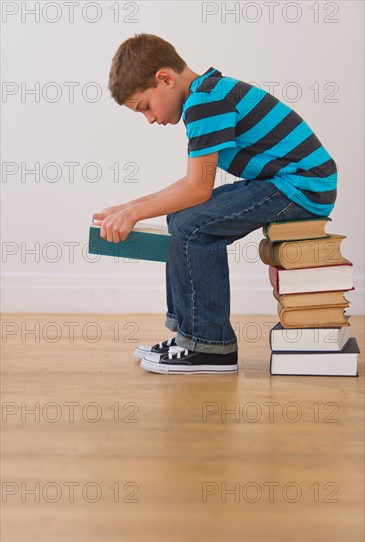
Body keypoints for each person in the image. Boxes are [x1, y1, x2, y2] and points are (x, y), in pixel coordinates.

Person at [93, 33, 338, 375]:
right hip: (283, 182)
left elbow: (198, 189)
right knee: (180, 217)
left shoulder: (205, 103)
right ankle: (187, 336)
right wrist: (129, 206)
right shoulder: (207, 94)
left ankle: (212, 347)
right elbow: (190, 185)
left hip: (301, 186)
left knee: (191, 226)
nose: (149, 118)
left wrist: (134, 213)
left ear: (164, 78)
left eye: (145, 106)